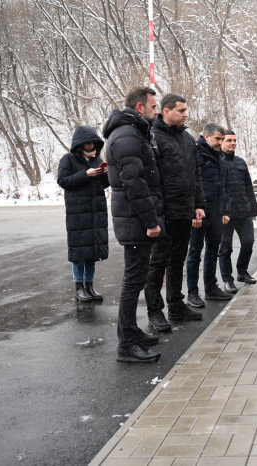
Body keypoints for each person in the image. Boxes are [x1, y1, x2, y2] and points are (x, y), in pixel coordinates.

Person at [102, 85, 163, 363]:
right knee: (132, 282)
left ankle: (130, 331)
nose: (156, 111)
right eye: (153, 107)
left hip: (135, 219)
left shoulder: (133, 132)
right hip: (136, 221)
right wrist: (150, 221)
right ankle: (126, 345)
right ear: (140, 107)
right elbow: (134, 184)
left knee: (136, 278)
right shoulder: (127, 135)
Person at [145, 93, 207, 330]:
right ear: (166, 111)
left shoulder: (188, 139)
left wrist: (199, 205)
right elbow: (150, 180)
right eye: (181, 111)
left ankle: (176, 305)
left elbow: (196, 174)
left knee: (177, 261)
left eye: (186, 110)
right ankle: (154, 311)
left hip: (184, 212)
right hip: (163, 213)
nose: (185, 114)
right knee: (158, 262)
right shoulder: (153, 138)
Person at [57, 125, 109, 303]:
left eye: (93, 142)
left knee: (92, 251)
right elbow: (63, 181)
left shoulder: (97, 159)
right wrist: (85, 174)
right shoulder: (68, 159)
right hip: (78, 212)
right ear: (79, 143)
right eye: (87, 142)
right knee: (79, 252)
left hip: (95, 211)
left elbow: (103, 185)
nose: (91, 145)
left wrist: (105, 175)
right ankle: (78, 287)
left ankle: (90, 286)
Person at [186, 123, 233, 308]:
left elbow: (224, 186)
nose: (220, 142)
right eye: (217, 139)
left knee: (213, 250)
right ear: (206, 137)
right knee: (195, 252)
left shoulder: (220, 156)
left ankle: (211, 287)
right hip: (199, 212)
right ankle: (192, 292)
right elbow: (190, 183)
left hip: (216, 212)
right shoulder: (196, 153)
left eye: (222, 139)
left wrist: (225, 211)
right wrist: (193, 212)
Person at [218, 130, 257, 294]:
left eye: (234, 140)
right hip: (226, 214)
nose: (233, 143)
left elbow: (249, 186)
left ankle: (242, 272)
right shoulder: (217, 162)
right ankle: (228, 279)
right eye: (229, 140)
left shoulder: (241, 162)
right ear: (221, 142)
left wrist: (253, 208)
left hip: (243, 211)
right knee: (225, 248)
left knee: (248, 243)